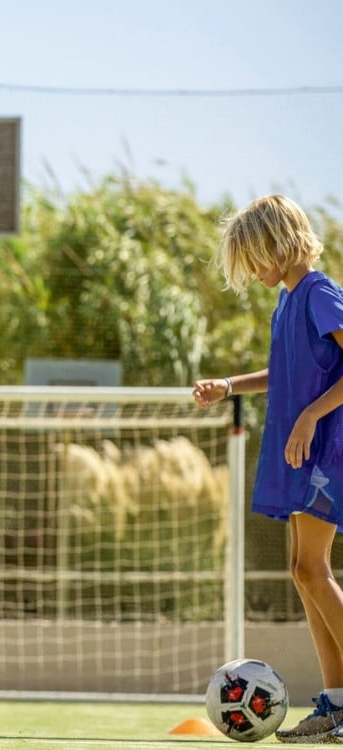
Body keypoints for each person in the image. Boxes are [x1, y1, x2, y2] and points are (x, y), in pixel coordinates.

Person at [192, 194, 343, 744]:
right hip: (302, 454)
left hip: (327, 450)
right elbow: (285, 370)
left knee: (313, 570)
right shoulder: (287, 302)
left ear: (278, 245)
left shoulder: (320, 292)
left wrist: (309, 416)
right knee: (304, 571)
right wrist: (229, 385)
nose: (253, 272)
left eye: (255, 258)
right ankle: (336, 703)